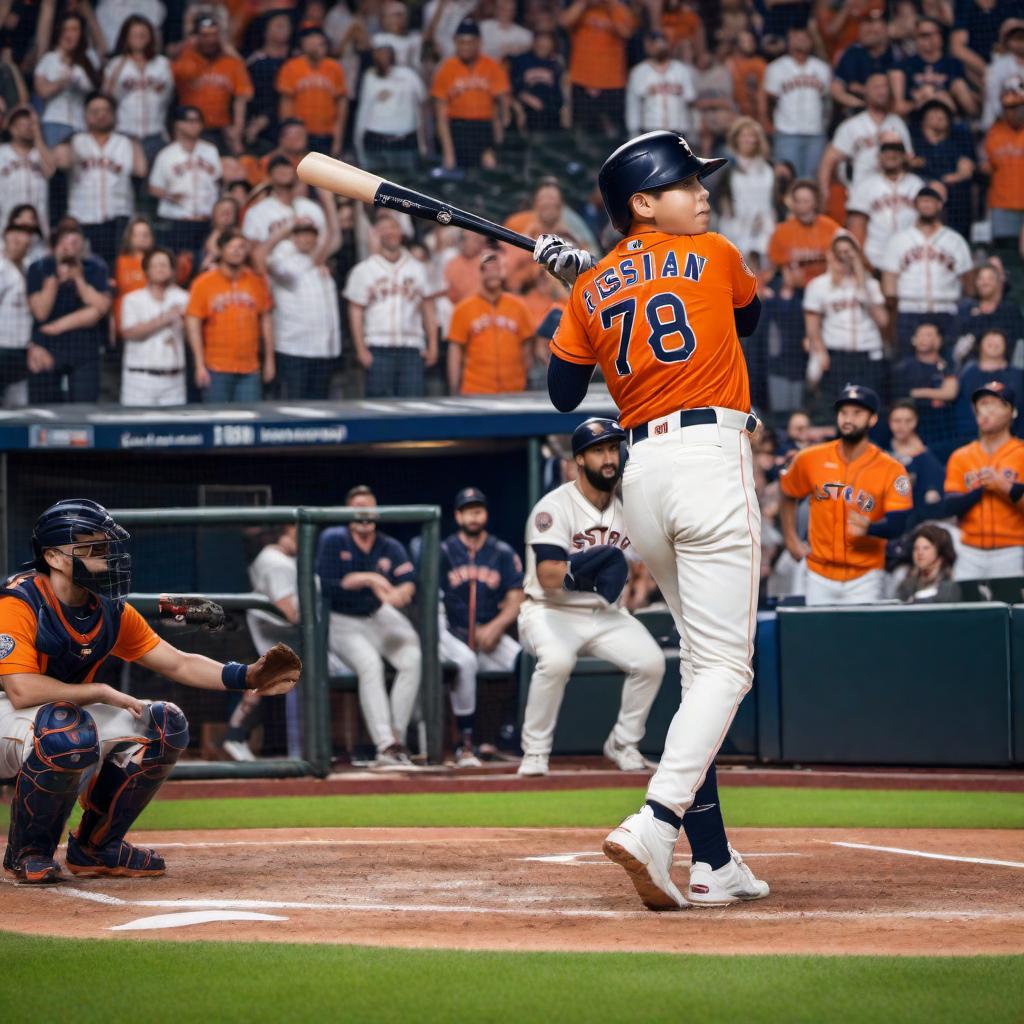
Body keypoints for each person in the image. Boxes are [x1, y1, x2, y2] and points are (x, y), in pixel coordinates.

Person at [532, 130, 769, 909]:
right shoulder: (714, 251)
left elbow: (564, 394)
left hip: (641, 478)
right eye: (686, 183)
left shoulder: (590, 287)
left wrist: (584, 283)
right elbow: (753, 319)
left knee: (703, 672)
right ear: (642, 202)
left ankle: (714, 862)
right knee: (728, 670)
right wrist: (602, 272)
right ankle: (656, 823)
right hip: (708, 457)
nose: (703, 193)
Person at [0, 498, 299, 883]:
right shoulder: (19, 601)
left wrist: (246, 676)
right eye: (92, 549)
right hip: (9, 711)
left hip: (62, 714)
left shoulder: (109, 609)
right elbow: (21, 689)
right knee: (66, 731)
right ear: (55, 557)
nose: (105, 558)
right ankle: (29, 852)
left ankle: (97, 847)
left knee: (164, 723)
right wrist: (100, 691)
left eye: (105, 548)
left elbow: (177, 662)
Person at [518, 418, 664, 778]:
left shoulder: (629, 509)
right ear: (579, 460)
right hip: (549, 611)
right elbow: (548, 576)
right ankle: (535, 752)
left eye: (613, 448)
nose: (609, 457)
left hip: (603, 613)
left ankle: (623, 743)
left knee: (650, 663)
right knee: (556, 662)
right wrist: (591, 564)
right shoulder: (554, 506)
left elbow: (642, 566)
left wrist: (631, 584)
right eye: (598, 450)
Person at [316, 485, 421, 768]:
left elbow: (408, 579)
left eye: (369, 508)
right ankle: (385, 745)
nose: (364, 514)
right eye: (358, 508)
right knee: (370, 664)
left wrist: (403, 592)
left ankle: (396, 737)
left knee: (412, 657)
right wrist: (371, 579)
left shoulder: (389, 545)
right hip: (343, 620)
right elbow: (329, 585)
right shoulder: (334, 539)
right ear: (348, 513)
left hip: (377, 615)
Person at [780, 384, 913, 604]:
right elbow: (787, 492)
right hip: (819, 574)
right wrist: (791, 540)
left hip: (865, 576)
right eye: (843, 413)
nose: (848, 419)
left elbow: (899, 524)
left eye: (857, 413)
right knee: (819, 637)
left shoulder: (892, 468)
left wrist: (870, 528)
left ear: (872, 419)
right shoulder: (810, 458)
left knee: (860, 638)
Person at [437, 487, 523, 767]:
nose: (474, 516)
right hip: (453, 633)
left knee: (521, 661)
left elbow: (516, 595)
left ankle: (507, 735)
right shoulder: (444, 551)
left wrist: (497, 627)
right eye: (468, 511)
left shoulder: (500, 551)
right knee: (466, 662)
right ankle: (466, 744)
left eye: (479, 510)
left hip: (489, 633)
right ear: (458, 516)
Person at [254, 200, 341, 401]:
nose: (306, 238)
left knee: (321, 410)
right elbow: (259, 254)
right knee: (293, 411)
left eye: (310, 234)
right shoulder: (282, 260)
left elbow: (334, 238)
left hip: (323, 350)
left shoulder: (322, 265)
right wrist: (287, 228)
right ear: (293, 237)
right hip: (294, 350)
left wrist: (328, 202)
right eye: (300, 233)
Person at [343, 211, 437, 398]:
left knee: (412, 409)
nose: (389, 233)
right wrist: (361, 349)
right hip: (378, 347)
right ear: (376, 233)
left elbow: (427, 308)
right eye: (383, 229)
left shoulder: (417, 268)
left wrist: (432, 344)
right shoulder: (364, 270)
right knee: (378, 410)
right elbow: (355, 311)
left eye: (393, 228)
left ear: (401, 231)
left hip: (411, 347)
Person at [879, 182, 973, 357]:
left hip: (946, 310)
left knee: (947, 365)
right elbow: (889, 281)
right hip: (909, 310)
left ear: (940, 205)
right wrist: (892, 317)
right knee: (907, 364)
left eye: (931, 201)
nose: (927, 205)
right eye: (923, 201)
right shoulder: (899, 240)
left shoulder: (954, 240)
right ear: (916, 205)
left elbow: (967, 281)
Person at [56, 92, 146, 271]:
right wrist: (66, 140)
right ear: (85, 115)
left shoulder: (125, 142)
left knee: (118, 267)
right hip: (83, 216)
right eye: (94, 111)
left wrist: (135, 143)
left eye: (106, 110)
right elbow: (62, 163)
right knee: (85, 267)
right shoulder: (76, 141)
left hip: (118, 214)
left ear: (114, 114)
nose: (101, 115)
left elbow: (141, 170)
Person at [944, 381, 1024, 580]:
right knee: (968, 611)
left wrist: (1003, 486)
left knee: (1010, 610)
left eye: (994, 403)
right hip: (969, 551)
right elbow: (951, 506)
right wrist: (980, 490)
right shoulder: (961, 456)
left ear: (1012, 412)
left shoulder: (1021, 454)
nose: (986, 409)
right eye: (982, 403)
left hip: (1012, 550)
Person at [185, 229, 275, 403]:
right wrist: (199, 365)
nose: (237, 251)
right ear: (221, 250)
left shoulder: (256, 282)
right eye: (231, 246)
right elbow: (192, 322)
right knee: (217, 422)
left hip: (250, 369)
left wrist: (270, 360)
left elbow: (266, 320)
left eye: (241, 247)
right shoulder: (203, 283)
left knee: (250, 422)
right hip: (216, 368)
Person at [26, 221, 111, 404]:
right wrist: (53, 282)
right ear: (54, 246)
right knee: (44, 412)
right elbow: (40, 312)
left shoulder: (94, 267)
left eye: (75, 243)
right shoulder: (39, 268)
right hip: (46, 349)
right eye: (65, 243)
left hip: (84, 348)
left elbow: (100, 308)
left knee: (84, 410)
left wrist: (78, 279)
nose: (69, 248)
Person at [238, 523, 301, 763]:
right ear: (282, 534)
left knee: (267, 680)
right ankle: (236, 735)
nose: (300, 539)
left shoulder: (284, 559)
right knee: (263, 679)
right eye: (294, 534)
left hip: (280, 634)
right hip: (273, 632)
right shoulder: (274, 561)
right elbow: (289, 611)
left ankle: (237, 735)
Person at [802, 231, 888, 403]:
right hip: (836, 357)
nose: (844, 256)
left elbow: (883, 321)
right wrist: (820, 353)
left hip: (867, 355)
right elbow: (812, 327)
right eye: (839, 252)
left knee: (867, 405)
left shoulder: (871, 285)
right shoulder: (819, 285)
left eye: (849, 251)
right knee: (837, 405)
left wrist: (863, 285)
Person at [447, 250, 534, 395]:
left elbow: (528, 349)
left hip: (514, 391)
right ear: (479, 273)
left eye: (496, 268)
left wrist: (525, 384)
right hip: (475, 391)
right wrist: (454, 389)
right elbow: (455, 352)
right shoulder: (463, 309)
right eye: (486, 268)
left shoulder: (519, 306)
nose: (492, 273)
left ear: (503, 272)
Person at [148, 107, 223, 268]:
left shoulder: (210, 151)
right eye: (189, 121)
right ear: (177, 125)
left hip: (206, 219)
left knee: (205, 265)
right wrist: (169, 195)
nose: (194, 125)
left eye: (198, 121)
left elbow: (219, 181)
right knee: (178, 267)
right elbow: (153, 187)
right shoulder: (166, 154)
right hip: (177, 220)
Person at [818, 73, 912, 201]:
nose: (882, 91)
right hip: (858, 192)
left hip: (890, 195)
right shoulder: (851, 125)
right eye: (876, 87)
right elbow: (829, 160)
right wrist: (824, 194)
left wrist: (894, 150)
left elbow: (909, 158)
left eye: (885, 87)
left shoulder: (897, 123)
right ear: (866, 92)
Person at [432, 18, 510, 171]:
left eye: (470, 42)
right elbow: (440, 115)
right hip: (457, 129)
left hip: (484, 129)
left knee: (489, 170)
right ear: (455, 42)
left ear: (479, 42)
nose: (465, 47)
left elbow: (502, 104)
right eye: (461, 42)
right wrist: (449, 152)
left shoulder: (492, 66)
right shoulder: (446, 69)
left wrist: (499, 137)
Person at [172, 15, 253, 155]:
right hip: (189, 127)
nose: (210, 40)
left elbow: (242, 97)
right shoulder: (186, 59)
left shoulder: (232, 63)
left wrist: (236, 132)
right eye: (204, 35)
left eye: (214, 35)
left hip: (221, 129)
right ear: (195, 37)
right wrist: (189, 46)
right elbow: (184, 73)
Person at [119, 248, 189, 407]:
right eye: (155, 265)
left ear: (172, 270)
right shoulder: (132, 300)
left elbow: (192, 334)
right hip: (139, 379)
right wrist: (164, 319)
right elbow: (129, 332)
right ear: (146, 270)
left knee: (174, 431)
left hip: (174, 380)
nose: (160, 269)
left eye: (164, 265)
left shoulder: (184, 298)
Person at [760, 25, 831, 180]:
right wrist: (766, 123)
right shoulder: (776, 67)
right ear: (789, 40)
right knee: (786, 179)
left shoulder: (822, 68)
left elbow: (828, 101)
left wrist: (825, 124)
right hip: (786, 132)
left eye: (805, 37)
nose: (801, 40)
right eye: (796, 37)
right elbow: (765, 97)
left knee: (812, 180)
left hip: (815, 133)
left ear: (812, 41)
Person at [844, 134, 923, 270]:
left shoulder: (916, 184)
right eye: (886, 151)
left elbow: (926, 222)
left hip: (912, 258)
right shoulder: (865, 185)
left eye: (896, 151)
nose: (891, 155)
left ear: (904, 156)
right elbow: (856, 225)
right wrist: (861, 259)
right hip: (875, 258)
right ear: (879, 157)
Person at [103, 15, 173, 165]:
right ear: (125, 37)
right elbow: (107, 98)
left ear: (150, 37)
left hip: (156, 132)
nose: (138, 39)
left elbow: (167, 96)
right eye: (134, 35)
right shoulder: (115, 64)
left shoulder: (162, 64)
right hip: (124, 131)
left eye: (143, 35)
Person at [560, 0, 634, 136]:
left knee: (613, 133)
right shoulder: (581, 8)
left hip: (612, 82)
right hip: (582, 80)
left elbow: (627, 32)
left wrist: (610, 4)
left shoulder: (619, 8)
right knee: (582, 132)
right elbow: (564, 22)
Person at [353, 37, 426, 172]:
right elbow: (362, 113)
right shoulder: (369, 77)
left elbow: (424, 104)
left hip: (404, 143)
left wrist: (424, 143)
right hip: (374, 143)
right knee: (374, 188)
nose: (381, 56)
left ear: (392, 54)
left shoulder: (408, 75)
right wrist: (358, 145)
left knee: (405, 188)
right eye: (377, 52)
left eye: (384, 52)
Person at [908, 98, 975, 239]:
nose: (939, 115)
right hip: (920, 200)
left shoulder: (957, 143)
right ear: (924, 118)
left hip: (954, 204)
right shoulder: (914, 142)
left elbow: (966, 171)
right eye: (933, 112)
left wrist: (941, 181)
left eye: (943, 113)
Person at [276, 26, 348, 156]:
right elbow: (285, 105)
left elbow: (341, 107)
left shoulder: (335, 68)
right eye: (311, 43)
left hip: (326, 133)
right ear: (303, 45)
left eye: (320, 44)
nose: (316, 48)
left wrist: (338, 140)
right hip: (301, 134)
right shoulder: (291, 67)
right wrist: (287, 136)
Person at [34, 10, 101, 147]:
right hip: (54, 120)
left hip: (80, 123)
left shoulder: (89, 58)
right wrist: (63, 81)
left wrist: (74, 72)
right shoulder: (49, 59)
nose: (69, 34)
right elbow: (42, 91)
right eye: (66, 29)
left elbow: (92, 88)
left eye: (74, 29)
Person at [890, 16, 977, 119]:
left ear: (940, 36)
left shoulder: (954, 64)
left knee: (959, 85)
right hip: (916, 121)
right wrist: (922, 101)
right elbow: (898, 108)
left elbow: (972, 104)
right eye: (920, 35)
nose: (925, 39)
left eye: (928, 34)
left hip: (949, 119)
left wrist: (942, 98)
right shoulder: (905, 65)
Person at [714, 117, 776, 260]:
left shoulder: (768, 169)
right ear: (736, 139)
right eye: (744, 136)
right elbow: (720, 197)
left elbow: (775, 198)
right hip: (736, 227)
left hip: (764, 226)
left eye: (752, 135)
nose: (748, 140)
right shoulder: (727, 169)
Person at [764, 179, 842, 288]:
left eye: (806, 201)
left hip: (826, 287)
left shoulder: (831, 228)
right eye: (798, 201)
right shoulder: (781, 231)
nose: (802, 206)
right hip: (795, 289)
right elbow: (773, 267)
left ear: (815, 202)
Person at [892, 322, 958, 450]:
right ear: (914, 340)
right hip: (913, 429)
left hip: (943, 429)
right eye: (920, 335)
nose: (923, 339)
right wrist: (937, 393)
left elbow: (950, 393)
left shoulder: (946, 365)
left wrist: (918, 392)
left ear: (939, 340)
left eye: (928, 335)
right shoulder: (904, 367)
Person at [954, 329, 1024, 442]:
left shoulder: (1018, 375)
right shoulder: (968, 374)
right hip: (974, 439)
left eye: (998, 343)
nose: (994, 346)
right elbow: (964, 409)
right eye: (990, 343)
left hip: (1015, 438)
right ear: (980, 345)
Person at [625, 30, 697, 138]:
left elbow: (691, 97)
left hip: (678, 130)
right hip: (649, 130)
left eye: (662, 43)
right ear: (648, 47)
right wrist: (633, 131)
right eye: (655, 44)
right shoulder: (639, 71)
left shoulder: (681, 69)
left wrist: (693, 129)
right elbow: (632, 103)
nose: (659, 46)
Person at [981, 79, 1024, 255]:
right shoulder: (994, 133)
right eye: (1008, 108)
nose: (1013, 112)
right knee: (1006, 254)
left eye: (1017, 106)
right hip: (1002, 203)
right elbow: (986, 167)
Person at [242, 155, 326, 244]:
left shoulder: (311, 207)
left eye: (286, 166)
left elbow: (325, 243)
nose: (283, 170)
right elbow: (251, 250)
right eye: (277, 168)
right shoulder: (257, 212)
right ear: (269, 177)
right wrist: (289, 227)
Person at [888, 399, 947, 523]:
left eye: (908, 421)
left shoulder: (926, 458)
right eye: (897, 421)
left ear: (915, 422)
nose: (902, 426)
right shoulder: (880, 450)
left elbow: (933, 497)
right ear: (889, 422)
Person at [954, 263, 1024, 368]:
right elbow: (958, 339)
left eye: (990, 278)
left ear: (998, 283)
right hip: (972, 367)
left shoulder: (1010, 310)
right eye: (981, 279)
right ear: (976, 283)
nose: (985, 282)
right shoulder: (965, 308)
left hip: (1005, 365)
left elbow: (1017, 341)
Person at [0, 108, 55, 236]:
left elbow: (50, 172)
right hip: (6, 225)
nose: (28, 128)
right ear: (11, 128)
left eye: (31, 125)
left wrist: (38, 136)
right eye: (22, 124)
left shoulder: (41, 152)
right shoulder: (2, 152)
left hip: (38, 226)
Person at [244, 10, 293, 152]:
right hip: (262, 123)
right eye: (279, 25)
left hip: (292, 120)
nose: (284, 29)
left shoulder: (296, 59)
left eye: (287, 26)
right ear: (265, 30)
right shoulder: (255, 62)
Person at [831, 11, 898, 113]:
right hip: (857, 113)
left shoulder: (896, 54)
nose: (866, 28)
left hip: (890, 113)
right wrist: (865, 107)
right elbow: (836, 90)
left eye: (872, 25)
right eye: (863, 24)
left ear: (886, 29)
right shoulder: (853, 53)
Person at [0, 219, 34, 407]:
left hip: (23, 346)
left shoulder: (31, 267)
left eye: (21, 241)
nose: (17, 244)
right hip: (2, 345)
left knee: (19, 406)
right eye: (13, 240)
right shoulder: (1, 268)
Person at [509, 29, 565, 135]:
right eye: (540, 43)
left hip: (549, 109)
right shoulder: (521, 60)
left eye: (546, 44)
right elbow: (514, 85)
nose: (542, 47)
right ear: (534, 43)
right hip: (527, 107)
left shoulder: (555, 64)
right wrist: (525, 96)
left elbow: (558, 94)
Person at [896, 523, 961, 602]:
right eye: (916, 548)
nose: (919, 553)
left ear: (940, 551)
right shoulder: (907, 584)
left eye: (926, 548)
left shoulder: (953, 582)